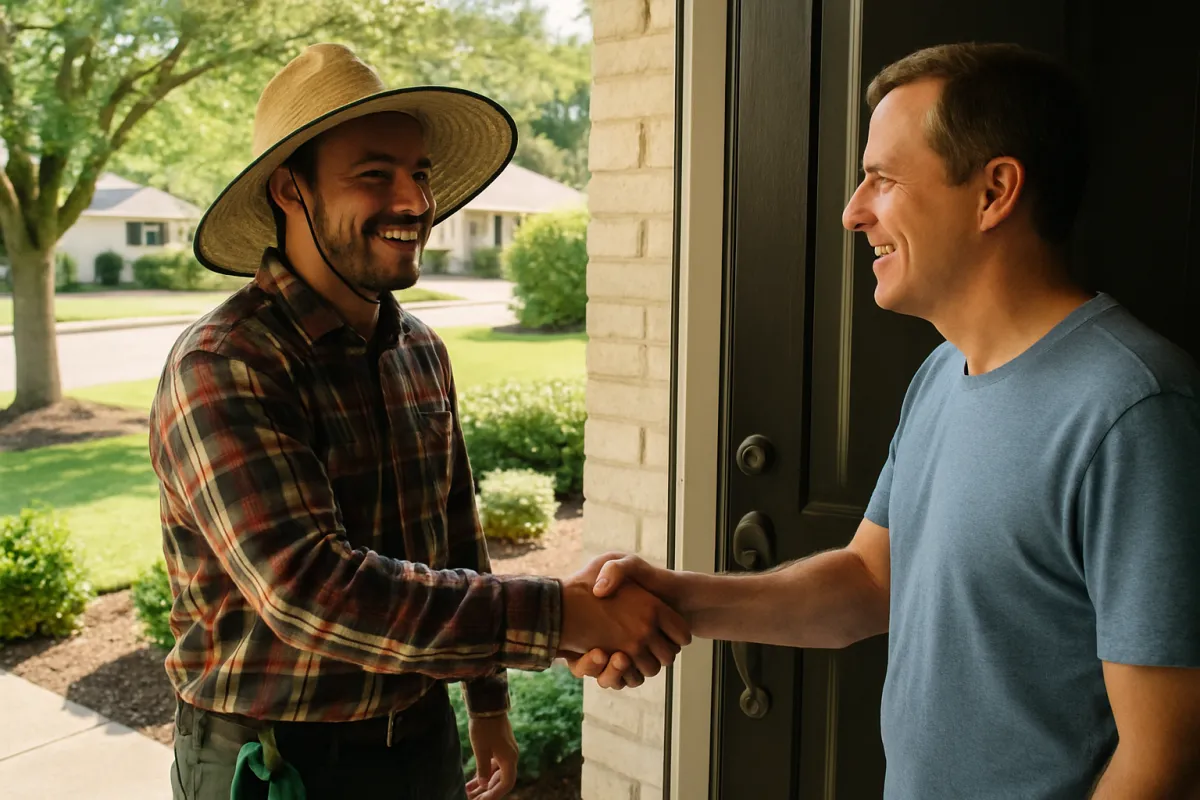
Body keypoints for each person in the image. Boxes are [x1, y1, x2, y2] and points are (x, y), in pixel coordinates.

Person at [570, 42, 1200, 798]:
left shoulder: (1132, 408)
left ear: (995, 191)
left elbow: (1166, 758)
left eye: (885, 179)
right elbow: (871, 582)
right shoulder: (943, 372)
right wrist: (675, 599)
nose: (852, 210)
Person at [148, 43, 690, 800]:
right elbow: (310, 591)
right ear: (289, 190)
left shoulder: (419, 350)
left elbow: (454, 531)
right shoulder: (226, 364)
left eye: (421, 173)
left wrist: (488, 702)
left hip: (420, 736)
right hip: (275, 761)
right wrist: (564, 614)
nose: (414, 202)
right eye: (376, 175)